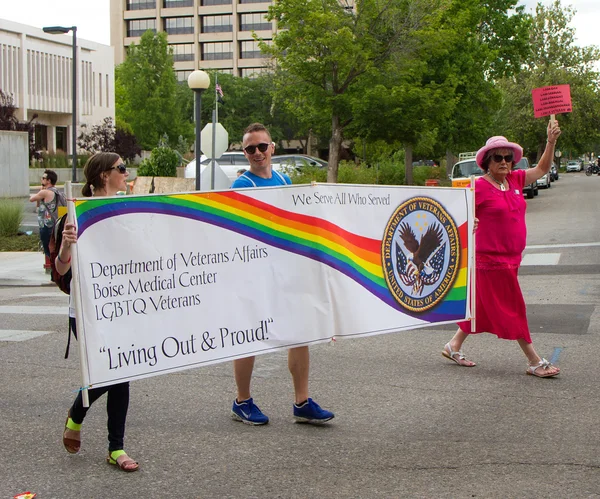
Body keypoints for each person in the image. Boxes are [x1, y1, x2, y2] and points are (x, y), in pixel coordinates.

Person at [229, 123, 334, 424]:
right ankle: (242, 401)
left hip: (285, 270)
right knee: (248, 337)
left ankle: (301, 402)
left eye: (262, 146)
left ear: (272, 147)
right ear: (244, 152)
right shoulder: (242, 186)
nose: (257, 153)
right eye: (251, 148)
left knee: (299, 332)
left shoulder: (283, 179)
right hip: (256, 273)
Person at [442, 120, 562, 378]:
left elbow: (542, 168)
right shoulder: (478, 186)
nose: (504, 162)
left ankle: (453, 345)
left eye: (508, 158)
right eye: (498, 158)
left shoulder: (516, 180)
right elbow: (453, 216)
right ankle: (533, 360)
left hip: (512, 258)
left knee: (481, 306)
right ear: (487, 161)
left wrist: (550, 141)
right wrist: (468, 221)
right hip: (490, 261)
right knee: (513, 308)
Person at [52, 152, 139, 472]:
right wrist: (65, 246)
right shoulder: (78, 214)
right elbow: (61, 269)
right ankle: (81, 417)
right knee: (111, 372)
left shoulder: (125, 211)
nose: (126, 173)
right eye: (121, 169)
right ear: (104, 176)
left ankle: (114, 446)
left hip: (121, 308)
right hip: (87, 312)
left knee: (122, 371)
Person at [29, 169, 64, 272]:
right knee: (55, 249)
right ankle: (56, 271)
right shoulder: (58, 193)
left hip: (46, 226)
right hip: (55, 224)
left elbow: (31, 199)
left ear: (48, 180)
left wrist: (40, 190)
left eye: (43, 178)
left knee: (48, 250)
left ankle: (55, 271)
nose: (42, 179)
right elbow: (39, 204)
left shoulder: (45, 192)